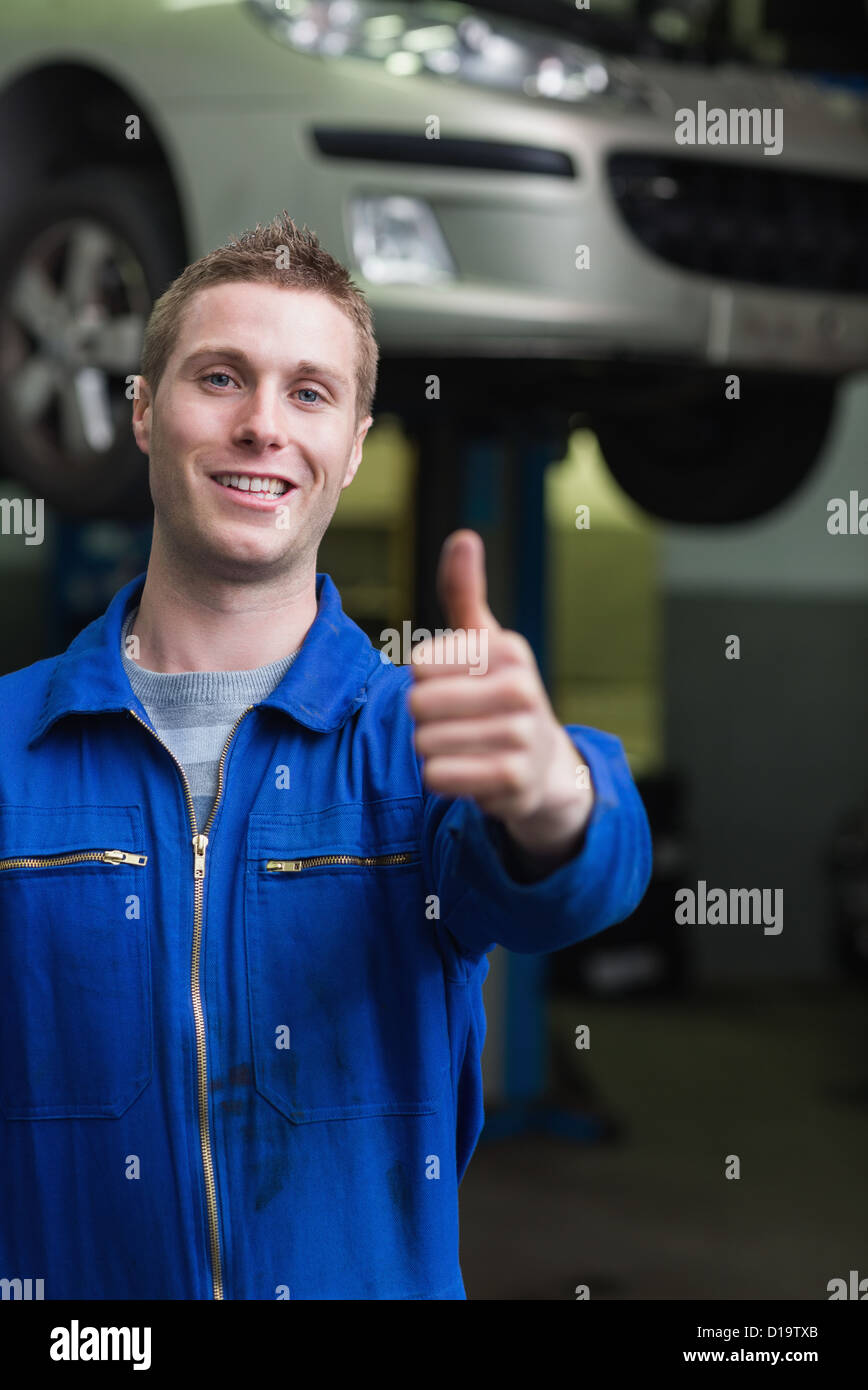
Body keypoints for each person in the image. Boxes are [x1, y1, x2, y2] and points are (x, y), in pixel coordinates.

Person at [0, 212, 651, 1300]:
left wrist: (551, 793)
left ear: (352, 446)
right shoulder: (11, 749)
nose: (262, 424)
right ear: (143, 414)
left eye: (309, 392)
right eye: (220, 377)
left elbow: (573, 883)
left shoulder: (413, 745)